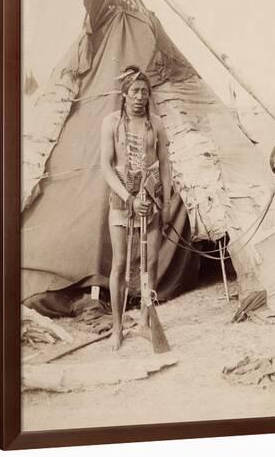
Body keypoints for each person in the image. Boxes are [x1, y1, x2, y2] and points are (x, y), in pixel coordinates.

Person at [100, 65, 171, 351]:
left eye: (145, 91)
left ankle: (144, 322)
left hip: (150, 199)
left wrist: (164, 201)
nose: (140, 96)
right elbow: (105, 166)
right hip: (122, 200)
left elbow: (165, 163)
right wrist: (129, 199)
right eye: (135, 91)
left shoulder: (156, 123)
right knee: (120, 265)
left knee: (150, 263)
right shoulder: (111, 123)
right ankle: (117, 328)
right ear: (125, 94)